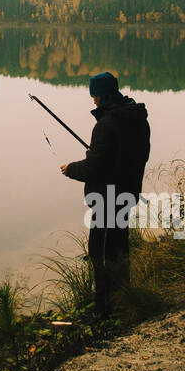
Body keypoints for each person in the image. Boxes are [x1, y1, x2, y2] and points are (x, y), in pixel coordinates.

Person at [60, 72, 151, 318]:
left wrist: (71, 169)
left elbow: (95, 167)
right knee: (119, 248)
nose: (93, 101)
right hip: (127, 194)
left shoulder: (106, 125)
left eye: (94, 96)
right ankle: (124, 297)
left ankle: (103, 309)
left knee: (99, 254)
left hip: (106, 199)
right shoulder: (138, 119)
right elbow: (138, 155)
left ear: (101, 95)